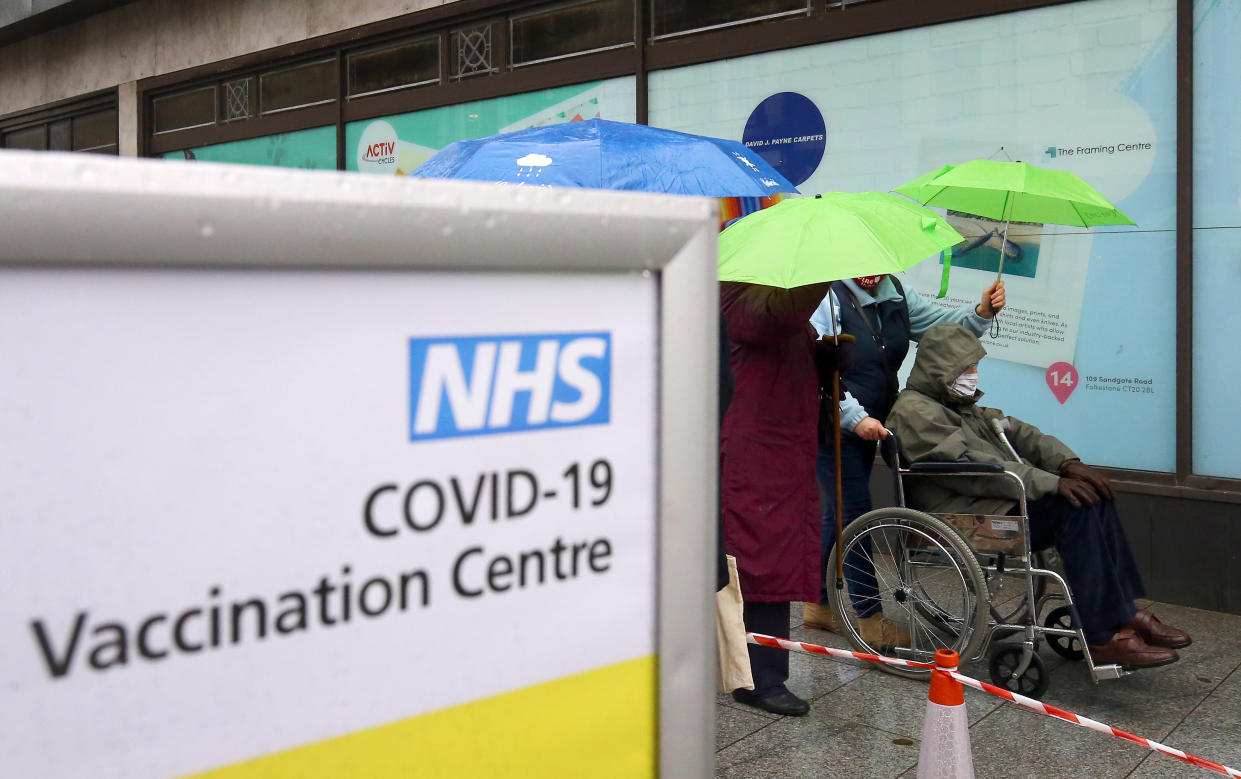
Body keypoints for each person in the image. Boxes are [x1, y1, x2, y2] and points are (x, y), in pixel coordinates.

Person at [887, 323, 1191, 667]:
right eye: (967, 368)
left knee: (1093, 496)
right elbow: (971, 467)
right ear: (942, 369)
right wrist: (1049, 482)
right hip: (961, 514)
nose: (973, 374)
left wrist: (1067, 463)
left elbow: (1021, 433)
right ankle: (1103, 635)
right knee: (1073, 510)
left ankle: (1121, 609)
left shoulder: (957, 403)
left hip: (994, 500)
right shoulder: (915, 412)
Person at [803, 273, 1005, 645]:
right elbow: (818, 372)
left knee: (839, 513)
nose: (873, 267)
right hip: (835, 421)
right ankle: (870, 618)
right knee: (855, 516)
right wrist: (855, 418)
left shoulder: (894, 292)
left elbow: (941, 328)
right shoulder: (826, 297)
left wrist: (980, 312)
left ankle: (819, 605)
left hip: (878, 419)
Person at [720, 279, 831, 716]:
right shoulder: (735, 292)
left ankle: (760, 672)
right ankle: (757, 679)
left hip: (780, 453)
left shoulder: (759, 291)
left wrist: (823, 358)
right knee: (758, 562)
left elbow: (780, 336)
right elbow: (773, 318)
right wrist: (824, 271)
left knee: (769, 560)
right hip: (756, 457)